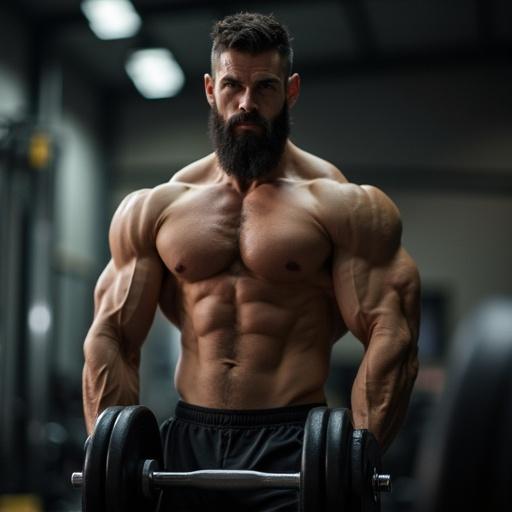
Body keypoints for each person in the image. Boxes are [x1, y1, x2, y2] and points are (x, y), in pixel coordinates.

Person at [82, 12, 420, 512]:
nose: (246, 103)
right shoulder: (156, 207)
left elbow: (391, 334)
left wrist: (357, 455)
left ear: (291, 90)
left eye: (265, 86)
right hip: (187, 442)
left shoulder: (342, 205)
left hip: (295, 444)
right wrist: (109, 454)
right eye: (232, 85)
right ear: (209, 89)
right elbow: (111, 335)